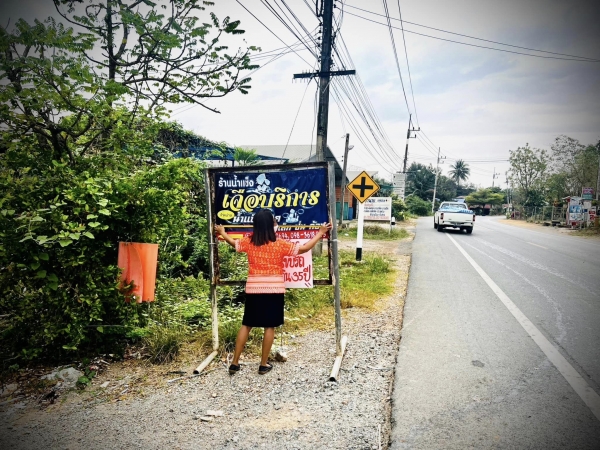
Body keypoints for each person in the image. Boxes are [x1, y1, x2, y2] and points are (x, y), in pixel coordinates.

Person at [215, 209, 332, 375]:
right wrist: (320, 233)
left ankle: (234, 362)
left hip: (254, 288)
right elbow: (304, 248)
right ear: (271, 225)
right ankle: (263, 364)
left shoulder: (249, 242)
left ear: (255, 225)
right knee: (269, 326)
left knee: (247, 324)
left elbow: (234, 243)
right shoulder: (279, 243)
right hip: (274, 289)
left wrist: (222, 232)